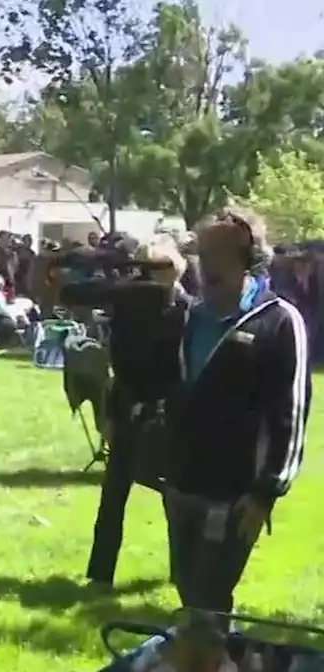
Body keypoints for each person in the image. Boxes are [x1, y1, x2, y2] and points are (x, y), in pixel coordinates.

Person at [166, 209, 309, 619]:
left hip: (234, 495)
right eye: (202, 253)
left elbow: (290, 412)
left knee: (209, 600)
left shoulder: (279, 322)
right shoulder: (191, 317)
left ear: (248, 257)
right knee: (190, 590)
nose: (206, 263)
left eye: (219, 253)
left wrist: (266, 491)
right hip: (182, 484)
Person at [58, 234, 191, 588]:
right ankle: (100, 575)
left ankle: (183, 576)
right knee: (114, 493)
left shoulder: (187, 310)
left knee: (174, 498)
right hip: (128, 404)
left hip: (169, 413)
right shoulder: (128, 305)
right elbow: (75, 294)